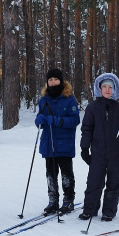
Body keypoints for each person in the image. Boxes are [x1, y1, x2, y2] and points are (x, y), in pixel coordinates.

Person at [78, 73, 119, 222]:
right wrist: (85, 149)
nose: (107, 90)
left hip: (117, 154)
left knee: (114, 184)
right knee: (94, 182)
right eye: (104, 86)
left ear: (115, 89)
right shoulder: (92, 108)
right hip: (98, 152)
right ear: (99, 88)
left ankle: (109, 211)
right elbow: (87, 129)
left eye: (111, 87)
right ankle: (89, 210)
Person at [35, 68, 80, 215]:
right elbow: (40, 118)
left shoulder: (69, 99)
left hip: (64, 142)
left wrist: (57, 120)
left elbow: (75, 120)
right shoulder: (43, 100)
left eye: (55, 80)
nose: (53, 82)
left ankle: (68, 200)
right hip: (48, 142)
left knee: (66, 173)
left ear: (61, 81)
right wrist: (39, 121)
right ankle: (53, 200)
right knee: (50, 173)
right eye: (50, 80)